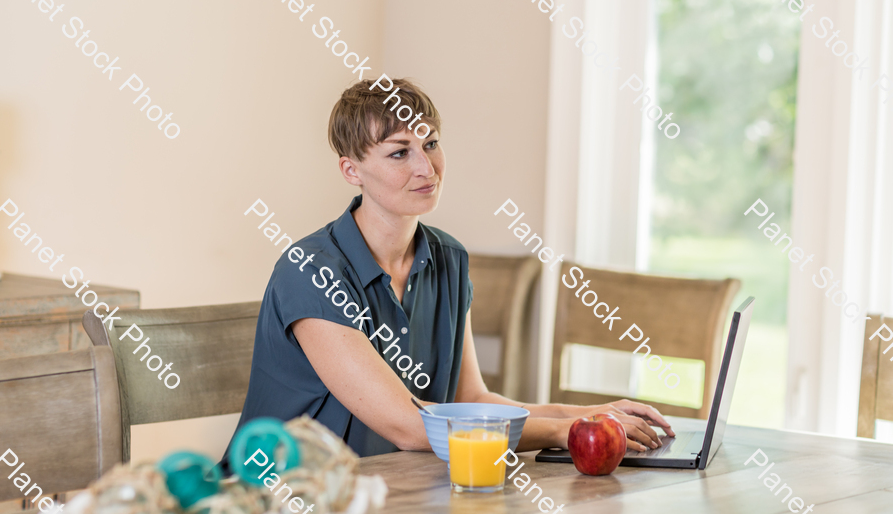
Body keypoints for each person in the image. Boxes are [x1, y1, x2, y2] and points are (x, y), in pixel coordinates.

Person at [223, 78, 674, 462]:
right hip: (286, 496)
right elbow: (413, 429)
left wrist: (585, 414)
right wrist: (564, 432)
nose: (427, 168)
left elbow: (470, 400)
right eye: (400, 153)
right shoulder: (311, 271)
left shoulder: (448, 258)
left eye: (431, 144)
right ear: (352, 170)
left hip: (397, 490)